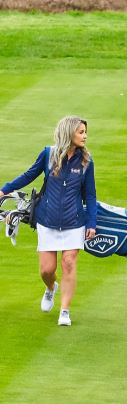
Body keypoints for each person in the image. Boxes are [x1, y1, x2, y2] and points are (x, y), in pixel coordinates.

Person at [1, 116, 97, 326]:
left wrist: (91, 223)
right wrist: (4, 189)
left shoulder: (86, 162)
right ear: (68, 133)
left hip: (74, 222)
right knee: (47, 270)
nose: (85, 136)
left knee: (69, 262)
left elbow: (90, 195)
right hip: (47, 219)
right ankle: (51, 288)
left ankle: (65, 311)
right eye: (81, 132)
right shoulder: (48, 154)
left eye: (85, 132)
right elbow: (29, 175)